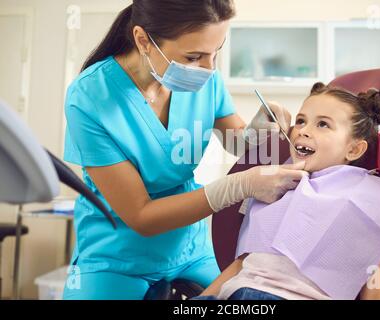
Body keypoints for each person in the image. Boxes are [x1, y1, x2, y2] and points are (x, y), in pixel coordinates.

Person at [62, 0, 307, 300]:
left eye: (216, 52)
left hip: (190, 247)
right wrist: (239, 185)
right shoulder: (90, 97)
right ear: (143, 41)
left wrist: (257, 132)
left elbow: (235, 142)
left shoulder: (206, 78)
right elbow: (142, 216)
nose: (209, 69)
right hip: (116, 254)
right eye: (193, 56)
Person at [193, 82, 380, 300]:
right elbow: (243, 262)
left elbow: (376, 293)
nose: (303, 131)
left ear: (354, 149)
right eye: (301, 121)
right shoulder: (274, 188)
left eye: (323, 124)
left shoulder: (365, 204)